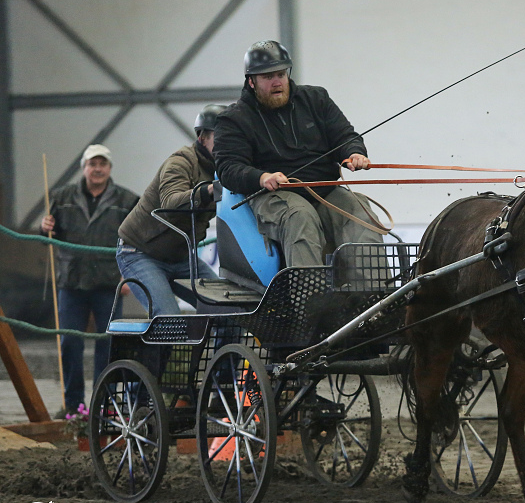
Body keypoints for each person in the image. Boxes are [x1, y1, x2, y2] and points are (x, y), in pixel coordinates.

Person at [214, 40, 386, 279]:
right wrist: (262, 177)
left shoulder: (316, 99)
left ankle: (376, 301)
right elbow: (228, 168)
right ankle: (310, 304)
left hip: (325, 190)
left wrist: (354, 152)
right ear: (251, 81)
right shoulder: (233, 119)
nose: (277, 82)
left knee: (360, 211)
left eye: (281, 74)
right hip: (272, 195)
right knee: (300, 216)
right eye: (267, 77)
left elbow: (345, 136)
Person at [41, 144, 139, 415]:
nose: (97, 169)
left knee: (107, 344)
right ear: (83, 167)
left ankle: (101, 403)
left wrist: (129, 274)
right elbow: (48, 233)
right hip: (71, 282)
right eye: (92, 164)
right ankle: (73, 405)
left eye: (102, 164)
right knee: (69, 342)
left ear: (109, 168)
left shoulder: (127, 201)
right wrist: (43, 226)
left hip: (109, 282)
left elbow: (136, 239)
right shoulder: (61, 197)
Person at [116, 104, 226, 317]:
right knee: (168, 318)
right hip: (140, 253)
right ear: (202, 138)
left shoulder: (225, 169)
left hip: (181, 257)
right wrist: (208, 190)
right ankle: (155, 351)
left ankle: (222, 352)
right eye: (220, 137)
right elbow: (170, 203)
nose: (227, 145)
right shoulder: (180, 163)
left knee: (228, 309)